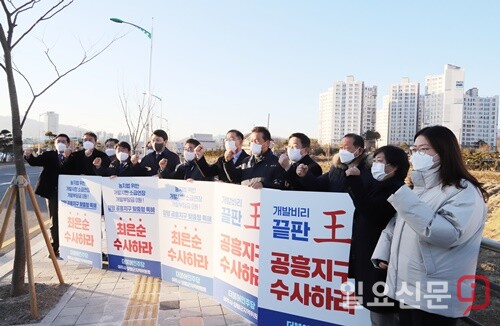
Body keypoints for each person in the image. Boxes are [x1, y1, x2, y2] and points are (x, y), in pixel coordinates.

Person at [372, 126, 488, 325]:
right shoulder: (419, 188)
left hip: (434, 293)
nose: (417, 154)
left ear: (444, 152)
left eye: (425, 149)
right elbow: (397, 224)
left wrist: (402, 195)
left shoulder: (463, 191)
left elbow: (446, 234)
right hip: (408, 287)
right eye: (415, 149)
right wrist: (383, 251)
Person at [345, 145, 410, 325]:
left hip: (381, 260)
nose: (375, 165)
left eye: (380, 161)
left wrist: (355, 182)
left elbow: (372, 212)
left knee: (382, 310)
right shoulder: (380, 185)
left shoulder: (396, 189)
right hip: (370, 256)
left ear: (394, 166)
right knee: (375, 309)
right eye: (374, 161)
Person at [24, 133, 73, 257]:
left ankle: (72, 246)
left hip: (70, 193)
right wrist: (29, 156)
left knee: (71, 220)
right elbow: (35, 161)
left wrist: (68, 158)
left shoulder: (74, 156)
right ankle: (54, 247)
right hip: (53, 192)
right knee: (54, 220)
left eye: (63, 141)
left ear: (68, 143)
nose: (60, 143)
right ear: (55, 143)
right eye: (58, 141)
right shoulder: (49, 155)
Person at [296, 133, 369, 192]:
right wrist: (305, 175)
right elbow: (317, 185)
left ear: (359, 151)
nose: (342, 151)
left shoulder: (368, 169)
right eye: (341, 148)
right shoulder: (336, 169)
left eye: (346, 148)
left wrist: (357, 179)